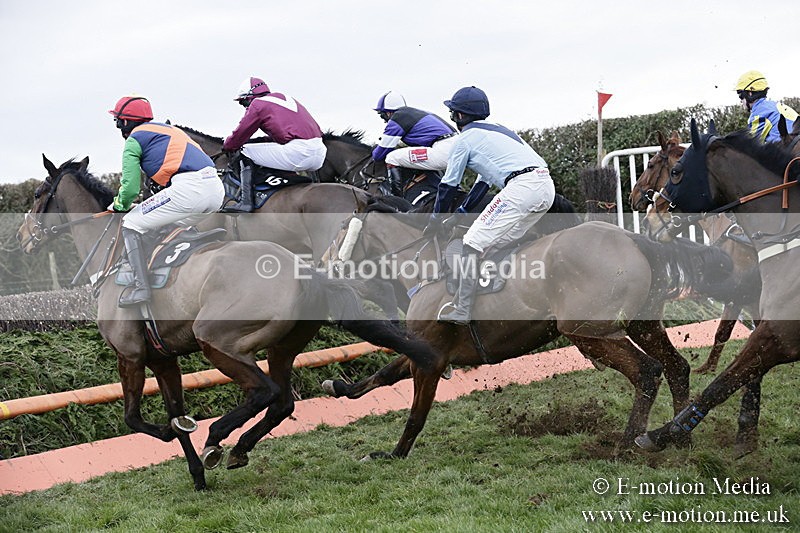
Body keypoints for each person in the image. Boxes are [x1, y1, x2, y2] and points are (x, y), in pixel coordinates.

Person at [423, 86, 555, 325]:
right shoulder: (499, 131)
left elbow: (448, 185)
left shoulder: (463, 141)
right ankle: (501, 292)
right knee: (498, 242)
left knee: (471, 243)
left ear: (459, 116)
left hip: (521, 188)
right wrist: (461, 213)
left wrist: (434, 220)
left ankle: (462, 309)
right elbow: (483, 182)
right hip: (546, 187)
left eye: (453, 113)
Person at [109, 95, 225, 307]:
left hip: (189, 189)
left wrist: (119, 205)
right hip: (216, 190)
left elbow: (131, 188)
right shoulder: (169, 131)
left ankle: (140, 288)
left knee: (130, 222)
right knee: (165, 223)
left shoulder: (135, 140)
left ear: (124, 122)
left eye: (118, 121)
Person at [221, 77, 326, 212]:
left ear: (249, 97)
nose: (245, 107)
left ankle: (245, 202)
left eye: (243, 103)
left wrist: (227, 145)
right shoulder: (285, 98)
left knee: (244, 150)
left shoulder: (257, 104)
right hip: (320, 152)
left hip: (299, 152)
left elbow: (239, 135)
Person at [372, 91, 458, 196]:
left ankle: (396, 200)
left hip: (443, 149)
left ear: (389, 112)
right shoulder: (415, 113)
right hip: (456, 146)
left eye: (382, 115)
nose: (385, 121)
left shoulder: (398, 117)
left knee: (392, 157)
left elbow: (379, 155)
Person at [735, 70, 798, 143]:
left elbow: (752, 146)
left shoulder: (758, 113)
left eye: (740, 95)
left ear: (750, 93)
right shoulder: (775, 105)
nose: (740, 100)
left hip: (787, 151)